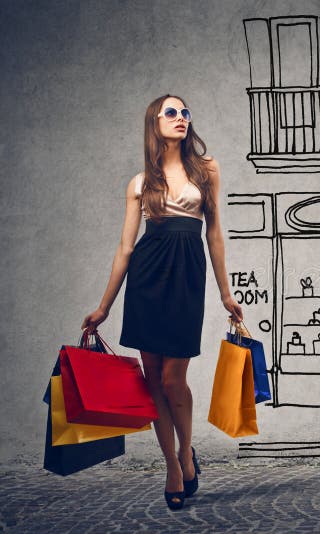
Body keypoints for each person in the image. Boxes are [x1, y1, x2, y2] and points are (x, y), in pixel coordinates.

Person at [81, 94, 243, 511]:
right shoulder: (139, 183)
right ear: (154, 122)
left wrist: (226, 293)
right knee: (153, 379)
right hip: (147, 280)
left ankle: (187, 451)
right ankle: (173, 465)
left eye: (185, 112)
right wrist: (104, 307)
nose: (181, 118)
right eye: (171, 112)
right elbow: (125, 249)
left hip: (186, 277)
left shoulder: (207, 170)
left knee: (174, 379)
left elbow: (215, 235)